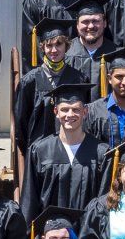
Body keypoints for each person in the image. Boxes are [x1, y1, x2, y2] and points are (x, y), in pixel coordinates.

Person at [18, 79, 107, 222]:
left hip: (88, 238)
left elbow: (104, 201)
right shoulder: (40, 151)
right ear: (56, 112)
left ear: (85, 112)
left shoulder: (101, 153)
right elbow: (30, 200)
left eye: (76, 109)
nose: (70, 114)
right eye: (64, 109)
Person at [11, 15, 81, 158]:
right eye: (49, 45)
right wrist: (31, 151)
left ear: (66, 46)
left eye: (59, 44)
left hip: (71, 151)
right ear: (42, 47)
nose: (54, 50)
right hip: (39, 153)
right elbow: (21, 123)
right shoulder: (29, 81)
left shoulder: (78, 78)